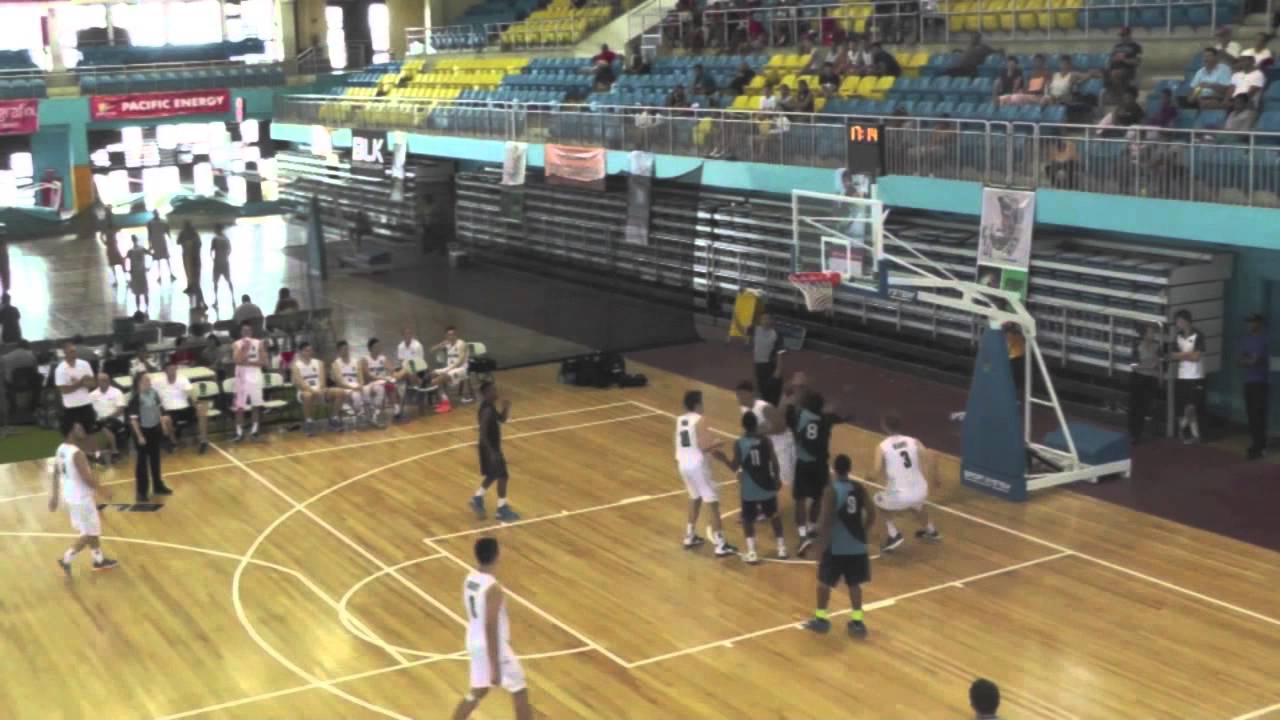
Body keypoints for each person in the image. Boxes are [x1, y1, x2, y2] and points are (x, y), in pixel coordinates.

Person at [451, 537, 533, 720]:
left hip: (473, 641)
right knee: (519, 690)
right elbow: (490, 625)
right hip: (491, 646)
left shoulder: (469, 579)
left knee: (477, 691)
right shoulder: (493, 588)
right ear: (497, 555)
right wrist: (495, 666)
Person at [802, 454, 872, 638]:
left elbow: (826, 521)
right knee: (854, 584)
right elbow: (871, 513)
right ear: (849, 469)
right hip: (857, 545)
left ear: (834, 469)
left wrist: (817, 545)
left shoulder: (831, 491)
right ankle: (857, 622)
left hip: (836, 546)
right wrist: (862, 532)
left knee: (823, 583)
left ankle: (821, 619)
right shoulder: (859, 488)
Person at [713, 410, 786, 563]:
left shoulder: (739, 443)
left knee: (747, 519)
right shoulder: (766, 441)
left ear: (743, 426)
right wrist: (777, 478)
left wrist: (724, 458)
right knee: (774, 515)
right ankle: (781, 548)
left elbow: (734, 466)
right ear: (756, 425)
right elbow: (774, 461)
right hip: (767, 485)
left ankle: (752, 552)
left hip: (749, 488)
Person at [51, 416, 119, 576]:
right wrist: (104, 491)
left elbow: (55, 473)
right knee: (89, 533)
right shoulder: (76, 453)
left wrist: (54, 496)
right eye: (78, 427)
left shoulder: (61, 448)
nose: (81, 429)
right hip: (81, 499)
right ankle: (67, 558)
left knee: (91, 529)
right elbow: (86, 478)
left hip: (71, 496)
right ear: (71, 431)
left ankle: (98, 559)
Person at [673, 390, 736, 555]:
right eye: (701, 402)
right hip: (697, 466)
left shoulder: (680, 420)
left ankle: (689, 535)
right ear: (697, 404)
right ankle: (721, 544)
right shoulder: (700, 420)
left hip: (683, 464)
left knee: (694, 498)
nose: (703, 405)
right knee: (713, 503)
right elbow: (704, 446)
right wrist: (718, 443)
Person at [873, 412, 941, 552]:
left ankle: (894, 535)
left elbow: (875, 471)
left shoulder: (882, 447)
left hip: (901, 495)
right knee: (917, 505)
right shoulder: (914, 441)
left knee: (877, 500)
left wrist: (868, 476)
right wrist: (936, 478)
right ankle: (931, 531)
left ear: (884, 427)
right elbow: (932, 456)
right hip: (921, 490)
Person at [470, 381, 521, 522]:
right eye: (493, 390)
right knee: (503, 476)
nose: (496, 392)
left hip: (491, 448)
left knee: (493, 475)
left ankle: (477, 497)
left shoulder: (490, 407)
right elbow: (483, 434)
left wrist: (506, 409)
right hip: (489, 448)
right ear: (486, 394)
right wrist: (492, 453)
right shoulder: (486, 410)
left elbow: (502, 420)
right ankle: (501, 509)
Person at [792, 391, 834, 556]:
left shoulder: (801, 415)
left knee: (800, 499)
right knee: (817, 497)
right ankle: (811, 527)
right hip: (820, 465)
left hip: (803, 464)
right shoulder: (824, 420)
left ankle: (803, 535)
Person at [736, 379, 795, 489]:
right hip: (766, 445)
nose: (738, 397)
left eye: (741, 394)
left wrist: (760, 431)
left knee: (787, 479)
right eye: (737, 394)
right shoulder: (744, 408)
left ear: (750, 394)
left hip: (781, 443)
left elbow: (781, 427)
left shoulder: (764, 408)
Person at [127, 372, 173, 502]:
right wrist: (140, 436)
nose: (149, 382)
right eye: (146, 380)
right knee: (142, 463)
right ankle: (141, 492)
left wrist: (163, 425)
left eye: (149, 380)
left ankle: (158, 486)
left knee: (155, 459)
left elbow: (159, 410)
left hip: (155, 429)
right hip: (141, 432)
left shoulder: (153, 393)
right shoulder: (135, 398)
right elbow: (133, 420)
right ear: (139, 382)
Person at [54, 342, 99, 455]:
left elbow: (92, 383)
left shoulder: (84, 364)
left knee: (90, 431)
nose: (74, 353)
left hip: (85, 403)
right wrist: (80, 382)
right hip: (70, 406)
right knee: (69, 433)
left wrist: (80, 383)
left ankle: (93, 454)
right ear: (65, 353)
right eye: (71, 352)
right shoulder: (60, 369)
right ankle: (72, 455)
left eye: (74, 351)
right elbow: (64, 390)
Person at [157, 359, 209, 454]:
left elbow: (191, 393)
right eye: (170, 369)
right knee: (165, 419)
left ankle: (203, 441)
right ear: (165, 371)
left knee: (202, 409)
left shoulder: (182, 379)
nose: (173, 371)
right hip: (169, 410)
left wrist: (197, 403)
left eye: (174, 369)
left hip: (185, 408)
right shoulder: (158, 382)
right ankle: (174, 443)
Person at [1170, 310, 1206, 444]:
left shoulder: (1198, 335)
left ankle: (1183, 426)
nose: (1177, 324)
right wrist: (1187, 355)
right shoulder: (1178, 336)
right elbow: (1172, 355)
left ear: (1186, 321)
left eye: (1178, 321)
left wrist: (1181, 355)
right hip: (1182, 375)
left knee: (1191, 406)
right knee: (1184, 406)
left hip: (1196, 376)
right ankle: (1194, 435)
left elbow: (1197, 357)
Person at [293, 342, 340, 435]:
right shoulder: (296, 365)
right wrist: (313, 391)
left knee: (340, 392)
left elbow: (322, 380)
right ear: (301, 352)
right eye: (307, 350)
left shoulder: (319, 363)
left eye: (311, 350)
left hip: (320, 390)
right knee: (308, 395)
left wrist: (320, 389)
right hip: (305, 391)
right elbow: (300, 383)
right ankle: (308, 422)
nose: (310, 352)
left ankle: (334, 418)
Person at [1241, 313, 1270, 460]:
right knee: (1251, 415)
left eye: (1252, 322)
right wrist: (1249, 360)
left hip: (1260, 382)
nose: (1250, 325)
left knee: (1259, 415)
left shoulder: (1264, 339)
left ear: (1259, 323)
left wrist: (1249, 361)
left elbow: (1254, 361)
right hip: (1248, 381)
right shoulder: (1247, 339)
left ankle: (1260, 446)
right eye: (1248, 322)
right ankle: (1255, 443)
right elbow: (1241, 360)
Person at [231, 321, 267, 442]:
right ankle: (239, 432)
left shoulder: (259, 343)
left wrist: (249, 362)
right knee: (239, 406)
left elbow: (264, 362)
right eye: (244, 331)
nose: (247, 333)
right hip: (241, 377)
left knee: (255, 405)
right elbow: (237, 360)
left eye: (249, 331)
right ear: (241, 332)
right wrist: (245, 349)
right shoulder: (237, 344)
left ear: (251, 332)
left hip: (255, 376)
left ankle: (254, 431)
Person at [1128, 323, 1162, 443]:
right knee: (1135, 407)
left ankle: (1139, 433)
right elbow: (1133, 365)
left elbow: (1159, 363)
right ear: (1144, 334)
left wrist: (1148, 366)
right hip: (1138, 378)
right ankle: (1133, 433)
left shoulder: (1157, 346)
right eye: (1150, 332)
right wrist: (1148, 365)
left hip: (1151, 379)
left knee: (1145, 407)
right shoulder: (1137, 345)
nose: (1152, 334)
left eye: (1153, 332)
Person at [361, 337, 402, 426]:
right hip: (371, 383)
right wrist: (381, 378)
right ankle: (375, 415)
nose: (378, 348)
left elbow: (390, 369)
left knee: (391, 385)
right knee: (382, 387)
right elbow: (368, 376)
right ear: (370, 348)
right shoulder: (365, 359)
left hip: (382, 382)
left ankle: (396, 411)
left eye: (379, 346)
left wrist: (392, 373)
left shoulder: (383, 358)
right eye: (376, 346)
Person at [431, 326, 471, 412]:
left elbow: (460, 362)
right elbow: (431, 350)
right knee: (432, 374)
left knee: (438, 379)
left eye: (453, 334)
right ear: (446, 335)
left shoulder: (461, 344)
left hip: (461, 369)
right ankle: (444, 400)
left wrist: (448, 370)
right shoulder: (447, 343)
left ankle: (446, 403)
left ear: (456, 334)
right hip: (449, 368)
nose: (451, 336)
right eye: (449, 335)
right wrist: (440, 345)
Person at [87, 373, 125, 463]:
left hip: (116, 418)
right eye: (100, 380)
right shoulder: (92, 395)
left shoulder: (117, 392)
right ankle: (97, 454)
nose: (103, 382)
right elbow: (88, 409)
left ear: (109, 381)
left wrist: (108, 417)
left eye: (105, 380)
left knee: (105, 427)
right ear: (97, 382)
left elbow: (121, 410)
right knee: (88, 429)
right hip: (99, 419)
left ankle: (115, 452)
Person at [330, 340, 368, 427]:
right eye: (343, 349)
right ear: (339, 351)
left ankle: (372, 414)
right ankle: (359, 414)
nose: (346, 351)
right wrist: (353, 388)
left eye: (347, 349)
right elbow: (339, 382)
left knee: (369, 390)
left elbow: (360, 378)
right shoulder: (335, 364)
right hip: (344, 388)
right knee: (356, 395)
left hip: (356, 386)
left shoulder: (356, 362)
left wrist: (361, 385)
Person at [751, 312, 784, 405]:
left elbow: (780, 352)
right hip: (758, 365)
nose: (766, 321)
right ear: (760, 321)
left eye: (768, 318)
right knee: (761, 388)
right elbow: (742, 330)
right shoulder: (755, 330)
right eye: (763, 319)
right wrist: (736, 318)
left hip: (770, 365)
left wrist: (779, 369)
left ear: (772, 320)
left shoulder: (776, 334)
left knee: (773, 390)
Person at [177, 220, 205, 308]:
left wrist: (188, 244)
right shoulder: (187, 233)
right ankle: (198, 302)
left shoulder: (194, 235)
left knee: (195, 281)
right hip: (188, 258)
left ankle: (201, 303)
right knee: (191, 278)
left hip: (193, 259)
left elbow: (199, 245)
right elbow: (178, 242)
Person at [146, 210, 176, 281]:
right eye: (156, 213)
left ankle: (170, 274)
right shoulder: (151, 223)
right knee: (159, 259)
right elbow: (149, 234)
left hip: (161, 241)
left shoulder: (161, 222)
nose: (157, 214)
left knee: (166, 258)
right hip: (156, 242)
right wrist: (150, 245)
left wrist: (170, 239)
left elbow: (167, 232)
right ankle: (160, 276)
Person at [210, 224, 234, 309]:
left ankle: (216, 301)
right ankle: (233, 298)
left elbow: (211, 251)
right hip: (225, 262)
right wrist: (226, 256)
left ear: (217, 230)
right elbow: (230, 250)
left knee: (216, 282)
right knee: (228, 280)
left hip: (217, 263)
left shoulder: (215, 239)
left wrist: (213, 259)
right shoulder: (226, 239)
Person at [125, 235, 150, 313]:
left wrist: (128, 270)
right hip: (141, 272)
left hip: (135, 273)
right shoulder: (142, 249)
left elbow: (126, 260)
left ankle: (139, 309)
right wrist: (149, 267)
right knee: (144, 291)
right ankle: (146, 309)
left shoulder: (130, 251)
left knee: (137, 293)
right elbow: (151, 254)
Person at [102, 217, 125, 287]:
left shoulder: (107, 231)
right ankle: (126, 278)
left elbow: (101, 236)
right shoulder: (113, 231)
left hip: (110, 249)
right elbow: (119, 229)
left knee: (113, 265)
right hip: (114, 248)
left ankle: (116, 280)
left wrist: (104, 242)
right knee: (121, 262)